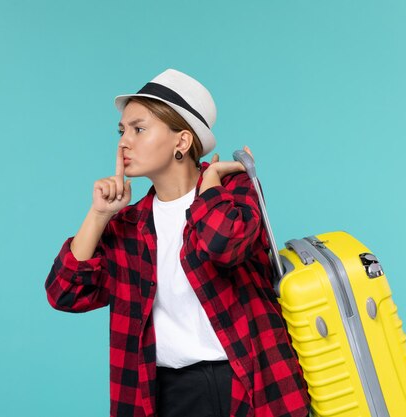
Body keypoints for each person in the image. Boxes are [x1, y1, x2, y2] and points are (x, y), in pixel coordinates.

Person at [44, 68, 310, 417]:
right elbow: (65, 293)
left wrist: (211, 184)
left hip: (251, 384)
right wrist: (98, 215)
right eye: (122, 130)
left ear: (181, 141)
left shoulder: (234, 192)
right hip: (167, 393)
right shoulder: (130, 226)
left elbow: (223, 245)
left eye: (139, 129)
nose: (124, 141)